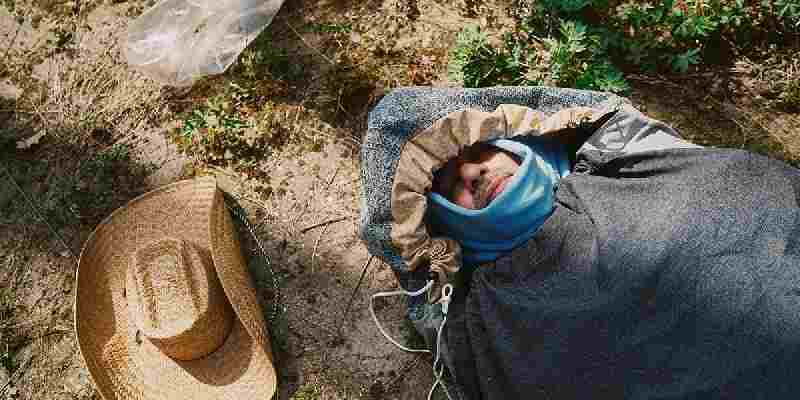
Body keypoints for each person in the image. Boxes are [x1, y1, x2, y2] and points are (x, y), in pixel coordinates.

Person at [359, 87, 800, 400]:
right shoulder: (479, 319)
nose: (473, 172)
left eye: (479, 151)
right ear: (441, 223)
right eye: (449, 181)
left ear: (514, 140)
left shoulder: (638, 162)